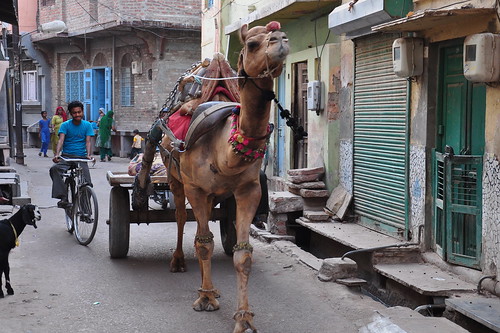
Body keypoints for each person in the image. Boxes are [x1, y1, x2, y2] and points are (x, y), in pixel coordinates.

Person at [49, 101, 94, 208]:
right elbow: (61, 140)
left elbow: (88, 142)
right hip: (66, 157)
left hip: (81, 158)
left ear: (82, 112)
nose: (77, 114)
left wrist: (88, 155)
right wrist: (57, 154)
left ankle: (86, 211)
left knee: (87, 184)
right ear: (70, 113)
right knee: (54, 169)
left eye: (79, 112)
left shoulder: (87, 125)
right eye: (74, 113)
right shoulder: (65, 125)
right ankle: (63, 197)